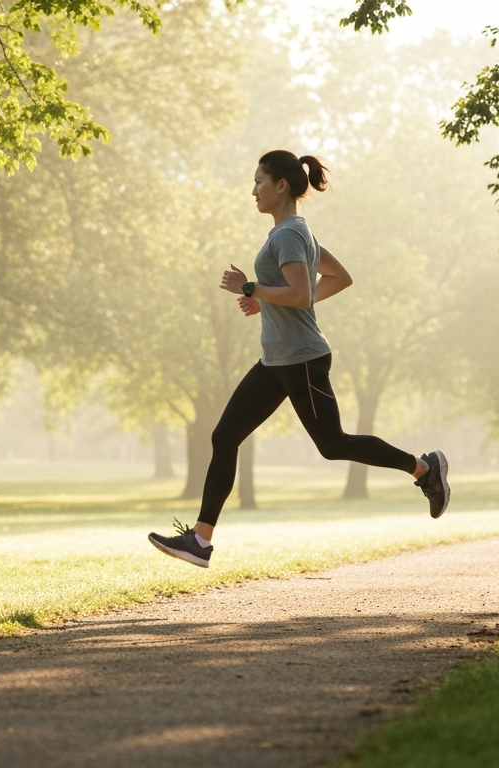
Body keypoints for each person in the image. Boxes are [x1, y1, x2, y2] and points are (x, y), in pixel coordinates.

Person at [148, 150, 449, 568]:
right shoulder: (293, 231)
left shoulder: (288, 234)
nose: (254, 191)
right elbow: (335, 279)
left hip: (302, 360)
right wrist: (270, 302)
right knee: (224, 437)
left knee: (333, 445)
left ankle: (425, 469)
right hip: (275, 361)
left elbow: (302, 294)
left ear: (281, 185)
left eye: (259, 182)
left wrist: (252, 289)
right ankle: (200, 540)